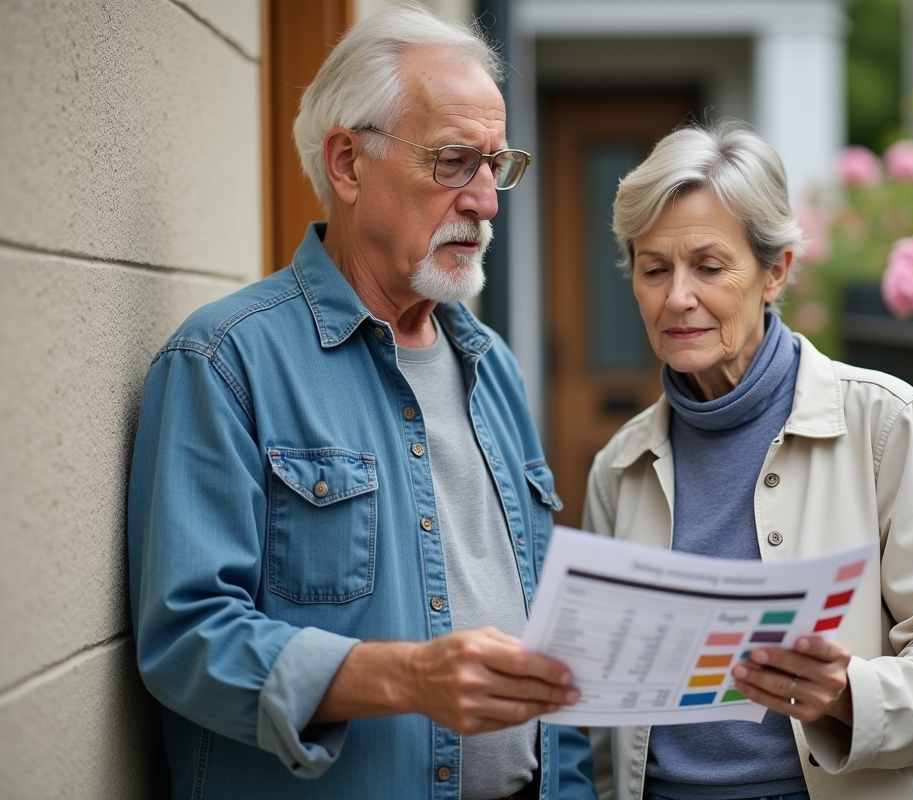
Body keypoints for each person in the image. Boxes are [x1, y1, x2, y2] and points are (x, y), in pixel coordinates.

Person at [126, 6, 595, 798]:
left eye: (495, 165)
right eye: (453, 162)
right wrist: (408, 677)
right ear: (348, 162)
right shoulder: (225, 361)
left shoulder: (494, 367)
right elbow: (187, 639)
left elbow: (552, 626)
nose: (485, 200)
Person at [582, 120, 913, 800]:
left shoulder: (884, 422)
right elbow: (603, 708)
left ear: (775, 272)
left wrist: (847, 694)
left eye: (709, 267)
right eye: (655, 269)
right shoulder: (619, 467)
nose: (677, 296)